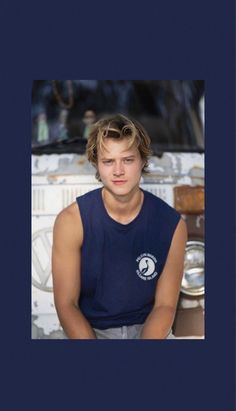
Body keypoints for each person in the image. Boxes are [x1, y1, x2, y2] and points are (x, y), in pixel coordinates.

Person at [52, 114, 187, 339]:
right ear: (97, 164)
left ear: (143, 160)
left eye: (128, 160)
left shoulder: (171, 225)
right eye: (108, 161)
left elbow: (165, 306)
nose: (118, 171)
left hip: (149, 330)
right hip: (90, 330)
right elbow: (67, 304)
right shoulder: (71, 221)